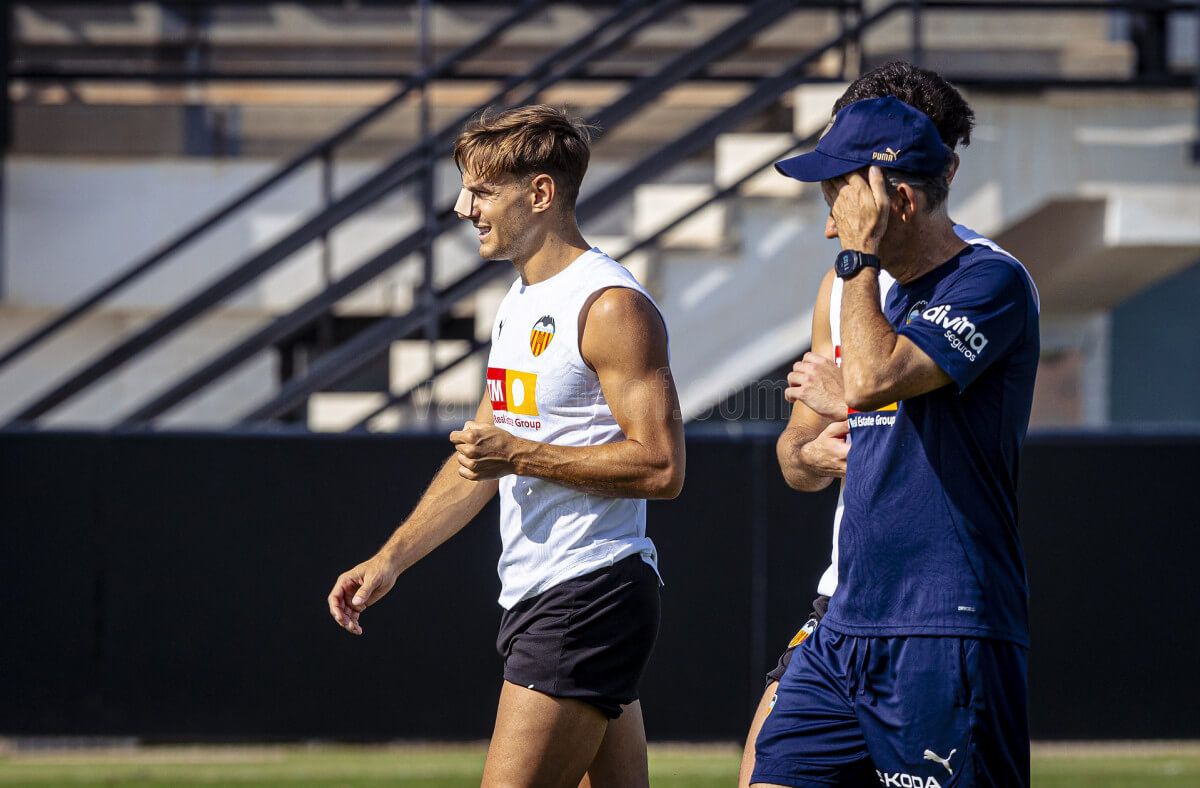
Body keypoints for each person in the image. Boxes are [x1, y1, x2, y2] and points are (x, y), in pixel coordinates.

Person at [326, 105, 685, 788]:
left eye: (482, 191)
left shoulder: (609, 305)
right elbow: (481, 458)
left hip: (588, 593)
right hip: (546, 593)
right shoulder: (520, 300)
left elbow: (662, 466)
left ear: (541, 193)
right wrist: (390, 559)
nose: (464, 208)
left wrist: (518, 455)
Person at [737, 62, 1034, 788]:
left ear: (893, 200)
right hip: (845, 620)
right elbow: (795, 455)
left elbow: (868, 380)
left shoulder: (989, 281)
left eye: (839, 198)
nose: (828, 221)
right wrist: (831, 450)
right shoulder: (843, 288)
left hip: (944, 623)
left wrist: (860, 269)